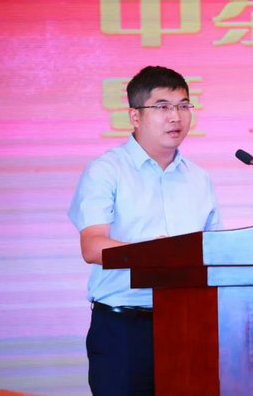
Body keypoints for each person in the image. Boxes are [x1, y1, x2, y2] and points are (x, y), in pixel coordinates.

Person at [68, 66, 222, 395]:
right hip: (124, 329)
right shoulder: (106, 171)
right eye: (162, 107)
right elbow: (92, 247)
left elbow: (215, 251)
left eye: (184, 106)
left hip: (189, 326)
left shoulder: (199, 179)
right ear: (135, 116)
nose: (176, 117)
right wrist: (153, 255)